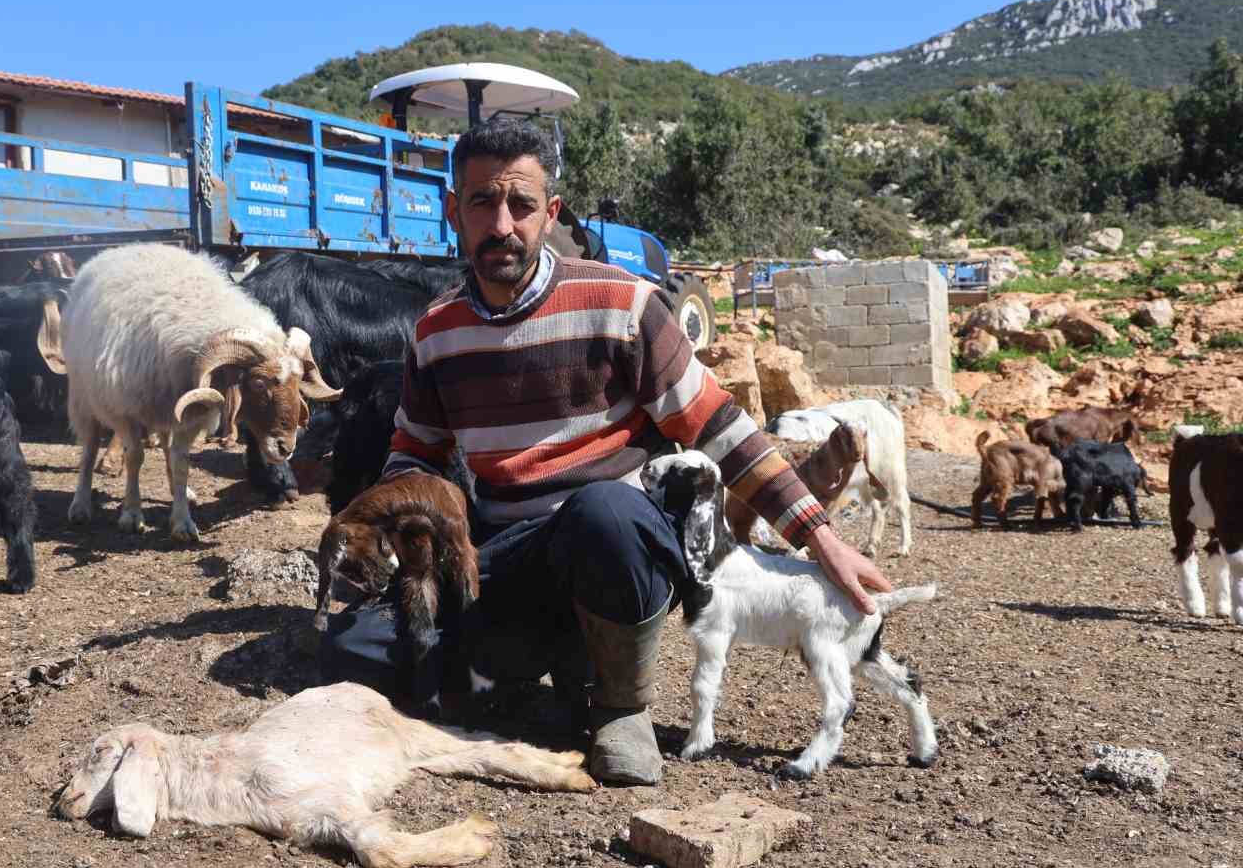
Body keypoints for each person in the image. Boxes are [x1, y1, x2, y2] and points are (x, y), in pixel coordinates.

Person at [319, 118, 891, 786]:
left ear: (550, 213)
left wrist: (821, 540)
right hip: (505, 555)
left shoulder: (623, 304)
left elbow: (722, 427)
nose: (501, 223)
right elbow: (413, 457)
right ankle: (539, 659)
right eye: (481, 202)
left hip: (615, 551)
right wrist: (386, 542)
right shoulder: (437, 332)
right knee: (350, 652)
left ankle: (620, 707)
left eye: (521, 204)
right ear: (453, 211)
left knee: (604, 512)